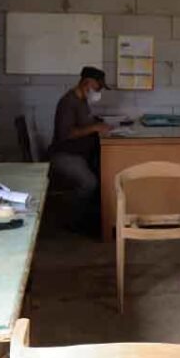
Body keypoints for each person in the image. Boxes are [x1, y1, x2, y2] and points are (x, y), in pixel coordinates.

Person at [49, 66, 112, 234]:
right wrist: (94, 128)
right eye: (98, 87)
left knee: (104, 172)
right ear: (88, 83)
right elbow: (67, 133)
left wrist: (97, 123)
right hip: (65, 155)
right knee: (89, 183)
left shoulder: (82, 100)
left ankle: (93, 216)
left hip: (80, 154)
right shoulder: (69, 102)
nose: (99, 92)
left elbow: (85, 122)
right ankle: (70, 220)